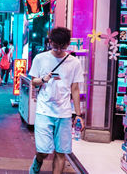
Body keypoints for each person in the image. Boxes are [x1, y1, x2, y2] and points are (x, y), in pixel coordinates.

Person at [28, 27, 84, 174]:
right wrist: (44, 79)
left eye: (63, 46)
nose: (59, 50)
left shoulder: (74, 63)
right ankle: (38, 160)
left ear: (68, 43)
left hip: (64, 113)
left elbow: (75, 89)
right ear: (50, 42)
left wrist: (78, 114)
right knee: (43, 150)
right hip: (44, 110)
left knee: (61, 152)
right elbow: (34, 82)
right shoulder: (40, 59)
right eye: (55, 46)